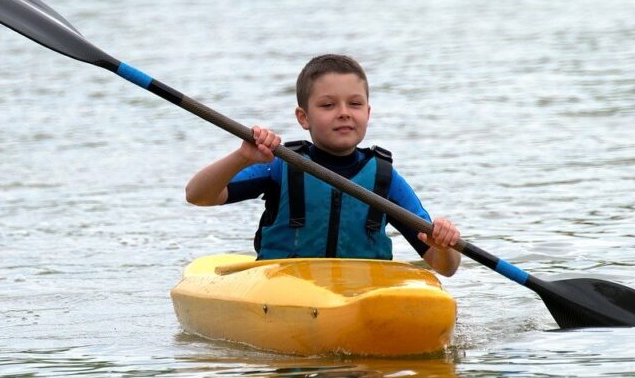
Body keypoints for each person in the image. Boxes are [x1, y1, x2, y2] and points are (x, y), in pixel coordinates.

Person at [184, 54, 462, 276]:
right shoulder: (280, 164)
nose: (343, 113)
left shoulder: (384, 178)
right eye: (328, 105)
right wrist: (242, 156)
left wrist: (445, 245)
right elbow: (197, 195)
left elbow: (444, 267)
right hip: (286, 290)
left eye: (354, 104)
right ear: (303, 117)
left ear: (368, 112)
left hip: (361, 297)